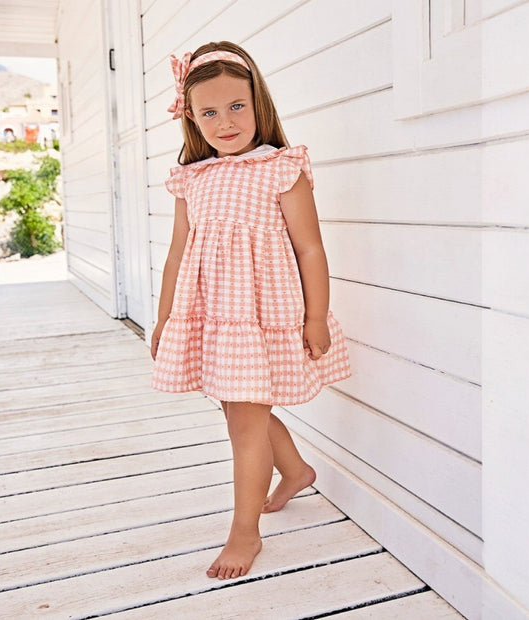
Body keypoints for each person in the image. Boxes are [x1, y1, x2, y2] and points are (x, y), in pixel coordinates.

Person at [151, 41, 350, 581]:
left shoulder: (281, 168)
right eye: (209, 112)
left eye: (236, 106)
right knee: (242, 409)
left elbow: (310, 247)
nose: (225, 121)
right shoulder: (192, 177)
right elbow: (177, 252)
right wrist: (167, 317)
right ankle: (296, 470)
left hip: (262, 315)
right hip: (214, 315)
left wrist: (316, 316)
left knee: (244, 418)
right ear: (191, 117)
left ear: (258, 103)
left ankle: (245, 532)